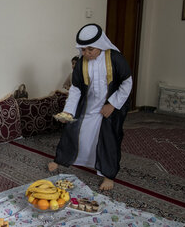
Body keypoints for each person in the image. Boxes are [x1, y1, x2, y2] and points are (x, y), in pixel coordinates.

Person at [49, 23, 132, 191]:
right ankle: (62, 160)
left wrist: (113, 105)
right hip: (88, 105)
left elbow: (127, 82)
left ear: (100, 46)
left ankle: (108, 175)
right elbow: (76, 88)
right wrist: (69, 110)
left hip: (110, 107)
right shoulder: (82, 63)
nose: (86, 53)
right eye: (83, 50)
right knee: (73, 129)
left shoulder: (115, 58)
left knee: (108, 138)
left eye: (90, 50)